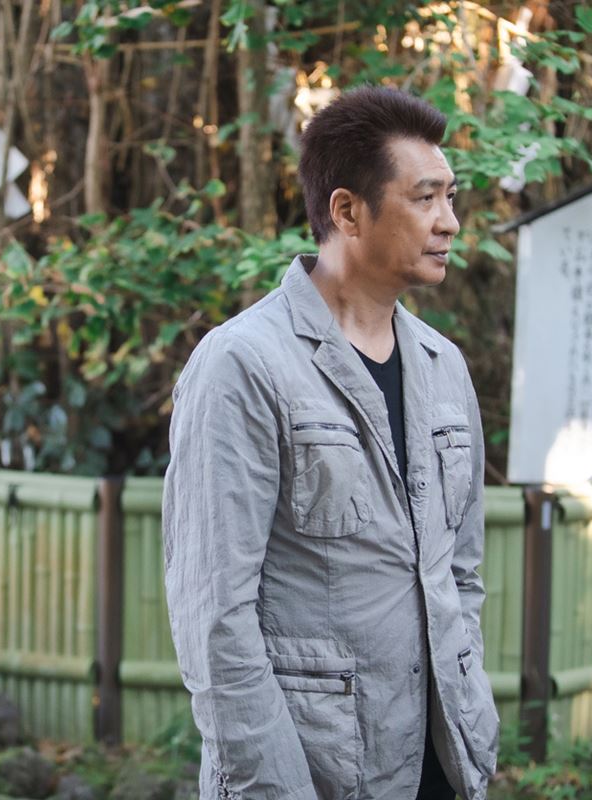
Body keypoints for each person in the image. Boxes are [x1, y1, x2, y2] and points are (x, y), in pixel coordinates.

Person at [162, 87, 498, 800]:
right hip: (315, 772)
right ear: (347, 212)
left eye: (450, 197)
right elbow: (215, 618)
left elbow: (460, 574)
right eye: (426, 198)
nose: (450, 221)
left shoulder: (443, 367)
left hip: (443, 759)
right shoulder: (243, 365)